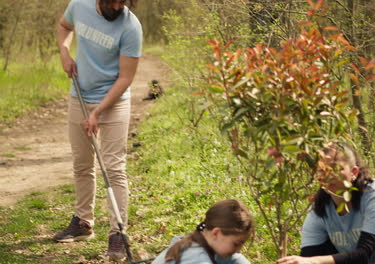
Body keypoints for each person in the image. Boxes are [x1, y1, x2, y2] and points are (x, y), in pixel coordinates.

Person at [53, 0, 142, 261]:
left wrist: (98, 112)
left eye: (122, 1)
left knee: (114, 168)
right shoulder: (79, 6)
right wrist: (64, 52)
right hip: (79, 95)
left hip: (114, 102)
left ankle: (118, 233)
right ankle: (83, 222)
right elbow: (63, 27)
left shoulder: (131, 27)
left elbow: (126, 78)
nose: (116, 5)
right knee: (82, 163)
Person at [277, 142, 375, 264]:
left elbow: (363, 255)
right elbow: (309, 256)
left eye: (335, 169)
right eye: (322, 170)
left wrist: (314, 261)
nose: (328, 176)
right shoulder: (319, 210)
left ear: (354, 172)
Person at [152, 199, 254, 264]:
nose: (238, 250)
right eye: (236, 244)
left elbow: (235, 259)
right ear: (216, 233)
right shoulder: (197, 259)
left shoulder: (192, 242)